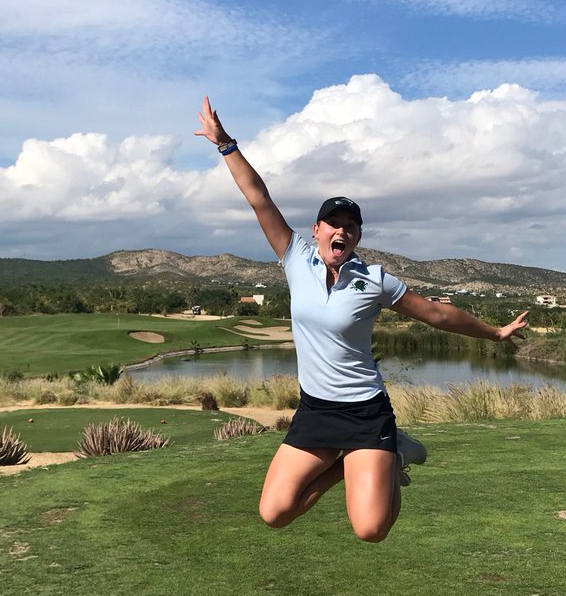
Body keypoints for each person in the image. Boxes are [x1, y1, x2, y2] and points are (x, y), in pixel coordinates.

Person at [195, 96, 528, 543]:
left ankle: (391, 450)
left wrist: (494, 332)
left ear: (358, 236)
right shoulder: (294, 258)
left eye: (350, 225)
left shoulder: (374, 280)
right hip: (315, 409)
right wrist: (225, 145)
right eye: (332, 222)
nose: (341, 230)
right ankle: (352, 461)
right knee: (275, 513)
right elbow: (259, 197)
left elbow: (436, 315)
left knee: (371, 530)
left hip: (366, 411)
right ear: (315, 230)